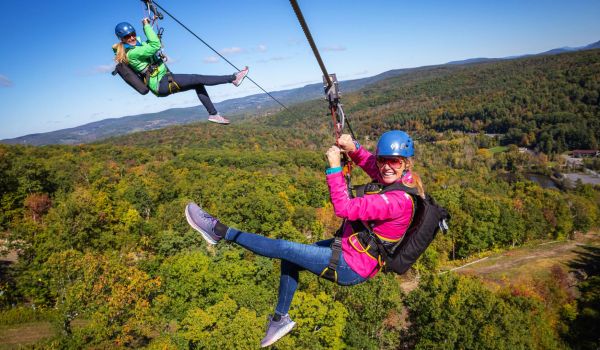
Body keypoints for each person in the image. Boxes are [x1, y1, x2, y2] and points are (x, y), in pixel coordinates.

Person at [185, 130, 424, 347]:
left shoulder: (396, 201)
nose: (386, 167)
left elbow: (344, 208)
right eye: (384, 160)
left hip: (351, 264)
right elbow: (370, 163)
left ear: (405, 163)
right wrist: (353, 147)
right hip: (349, 250)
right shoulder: (401, 180)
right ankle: (280, 319)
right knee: (291, 258)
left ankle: (218, 231)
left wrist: (334, 168)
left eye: (394, 161)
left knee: (284, 248)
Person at [113, 20, 249, 125]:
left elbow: (149, 45)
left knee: (198, 84)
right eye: (127, 36)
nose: (131, 37)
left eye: (133, 34)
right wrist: (146, 26)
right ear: (121, 39)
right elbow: (155, 45)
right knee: (197, 78)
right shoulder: (132, 53)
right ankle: (233, 78)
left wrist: (149, 26)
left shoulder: (137, 46)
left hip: (163, 80)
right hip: (161, 83)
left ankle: (213, 114)